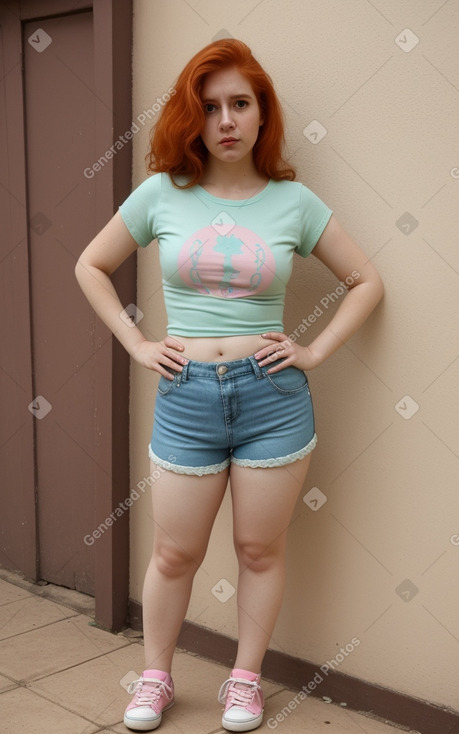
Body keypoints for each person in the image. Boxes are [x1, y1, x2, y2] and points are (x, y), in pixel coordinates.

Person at [75, 38, 384, 733]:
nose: (225, 120)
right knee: (173, 551)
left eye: (239, 104)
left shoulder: (292, 202)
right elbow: (90, 265)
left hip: (272, 402)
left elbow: (366, 281)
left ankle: (244, 682)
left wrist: (313, 351)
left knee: (257, 550)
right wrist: (137, 344)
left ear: (260, 112)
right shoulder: (161, 193)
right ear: (192, 116)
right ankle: (155, 678)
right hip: (186, 397)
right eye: (209, 106)